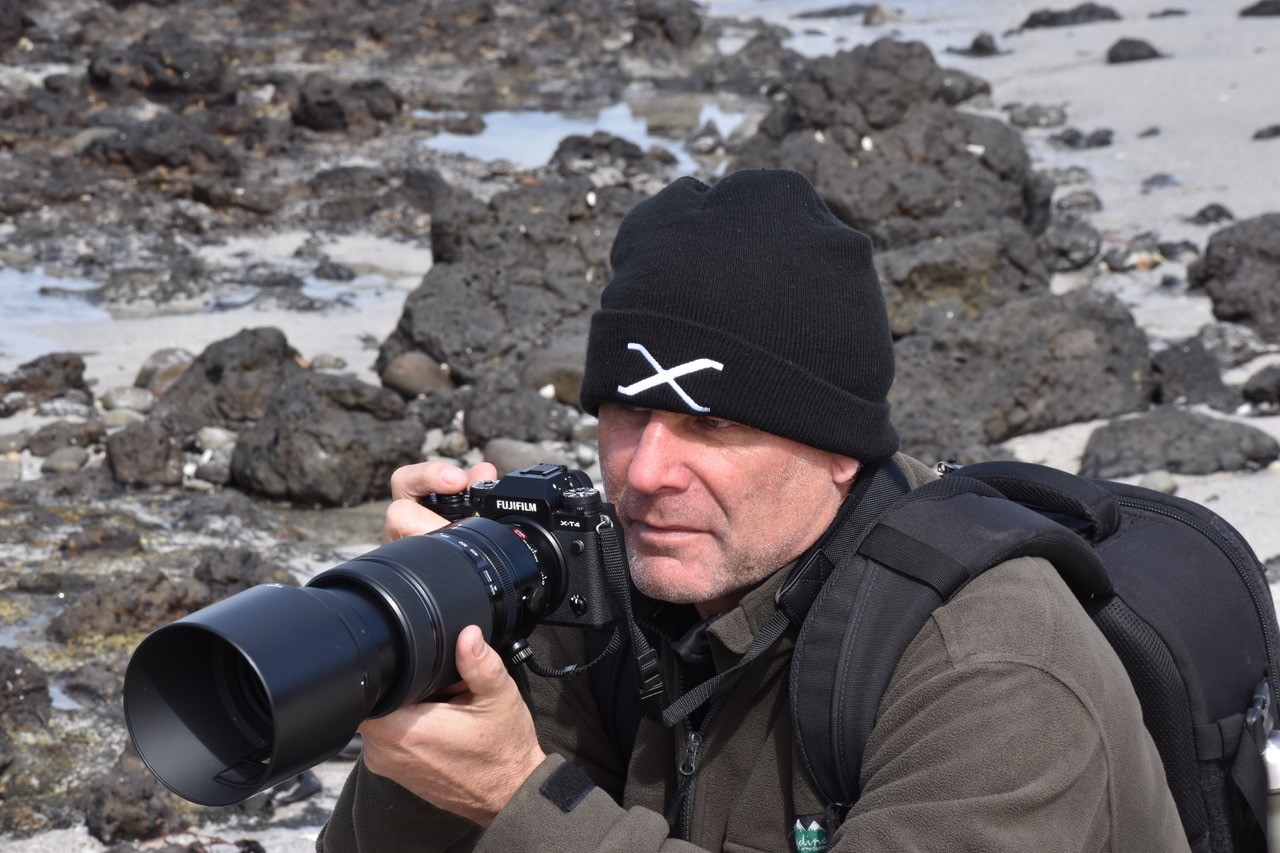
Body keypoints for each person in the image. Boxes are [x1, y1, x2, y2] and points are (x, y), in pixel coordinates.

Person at [317, 169, 1189, 852]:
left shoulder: (992, 665)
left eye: (711, 421)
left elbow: (526, 812)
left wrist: (518, 799)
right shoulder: (604, 588)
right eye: (627, 412)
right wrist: (428, 656)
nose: (647, 471)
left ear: (840, 448)